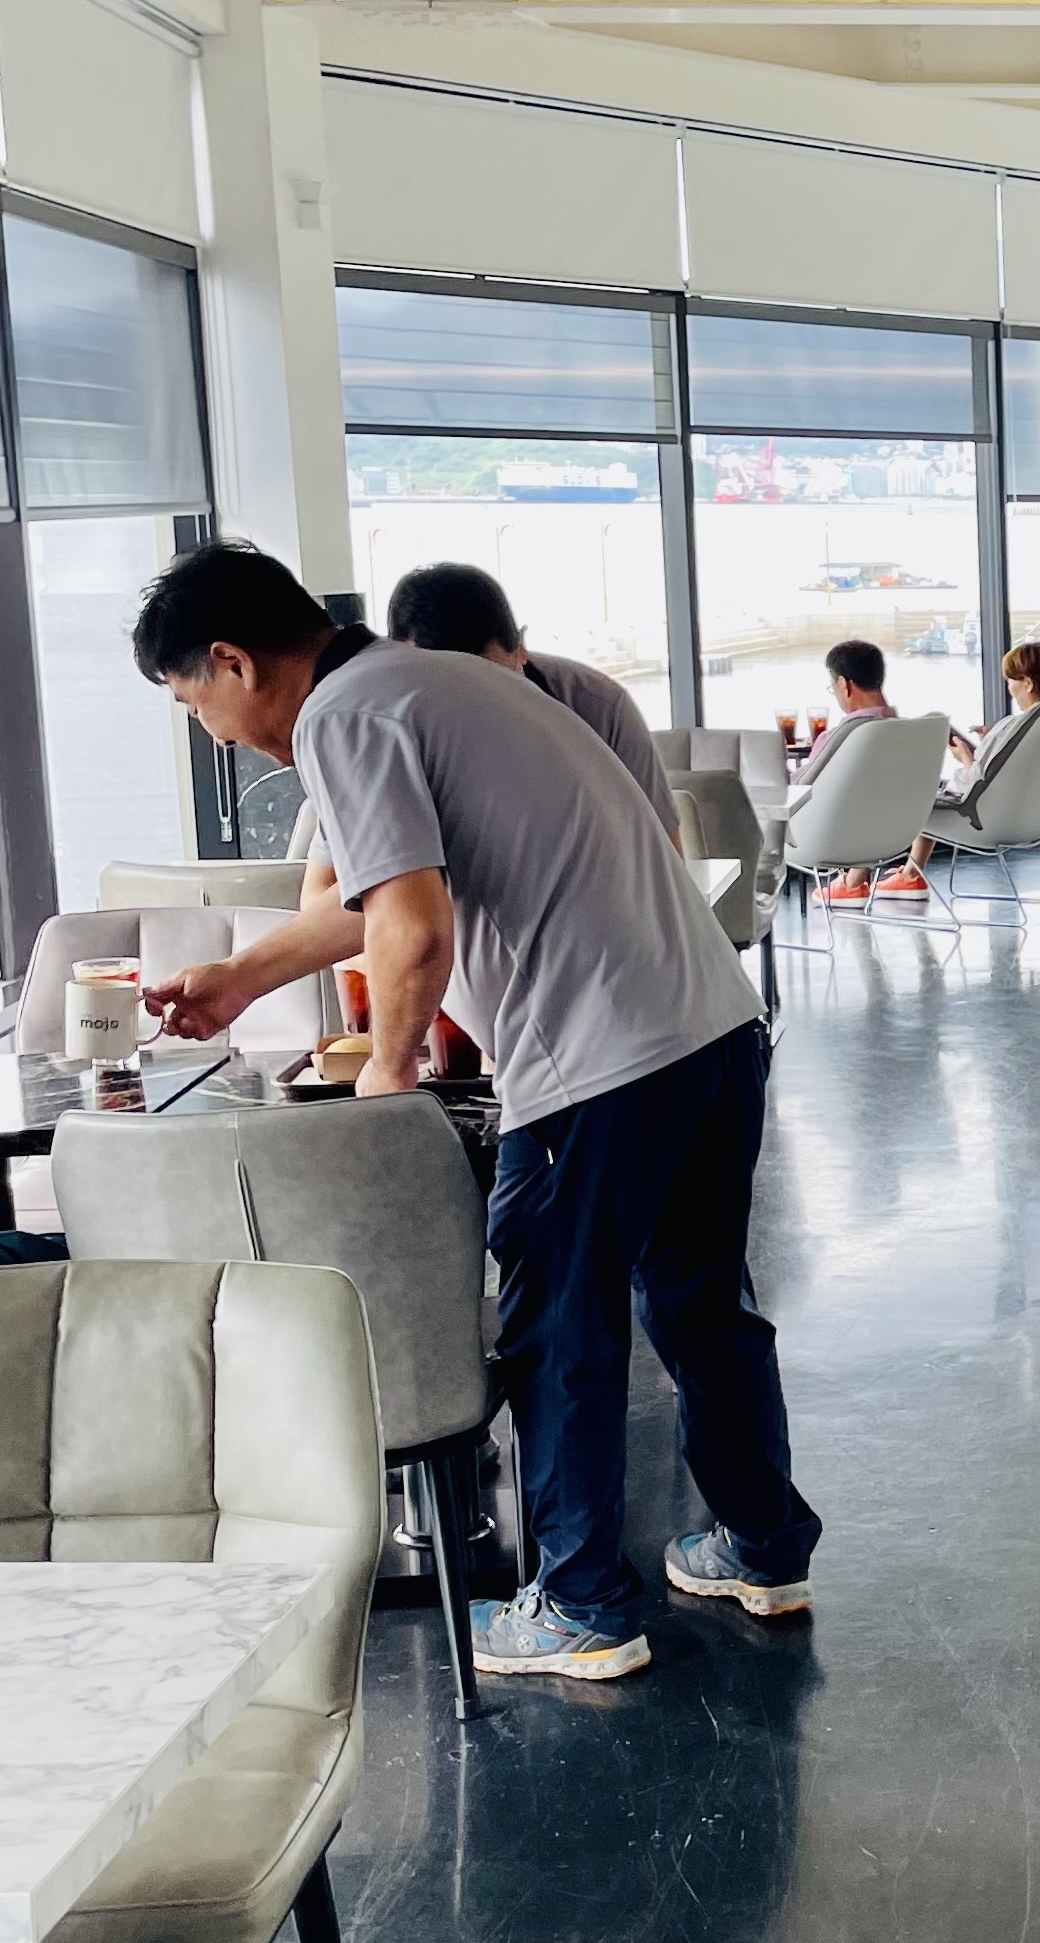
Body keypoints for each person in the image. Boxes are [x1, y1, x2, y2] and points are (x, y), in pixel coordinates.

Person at [134, 543, 818, 1686]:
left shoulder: (346, 716)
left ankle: (582, 1606)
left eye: (192, 702)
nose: (210, 731)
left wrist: (388, 1077)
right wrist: (242, 977)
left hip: (594, 1063)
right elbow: (386, 899)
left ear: (232, 661)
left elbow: (413, 927)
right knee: (703, 1304)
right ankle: (763, 1545)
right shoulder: (444, 682)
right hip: (710, 1028)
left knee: (558, 1331)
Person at [382, 559, 679, 834]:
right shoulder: (384, 726)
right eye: (449, 690)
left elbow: (663, 840)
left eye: (492, 683)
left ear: (520, 649)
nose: (475, 707)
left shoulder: (599, 708)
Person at [872, 637, 1040, 904]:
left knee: (921, 801)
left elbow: (984, 783)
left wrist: (966, 757)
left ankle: (903, 877)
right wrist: (990, 743)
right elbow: (1013, 770)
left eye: (1011, 681)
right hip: (1037, 815)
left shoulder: (1015, 726)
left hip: (989, 817)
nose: (1009, 688)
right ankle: (910, 874)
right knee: (935, 793)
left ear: (1027, 683)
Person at [798, 637, 897, 905]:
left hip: (825, 835)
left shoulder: (844, 735)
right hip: (896, 833)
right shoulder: (907, 731)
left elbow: (801, 787)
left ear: (844, 684)